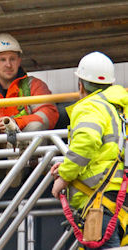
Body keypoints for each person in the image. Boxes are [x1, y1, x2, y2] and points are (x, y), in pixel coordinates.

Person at [51, 52, 128, 249]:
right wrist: (67, 166)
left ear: (81, 85)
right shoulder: (121, 108)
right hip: (121, 197)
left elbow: (86, 142)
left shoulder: (90, 106)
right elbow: (107, 151)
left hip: (101, 201)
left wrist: (65, 177)